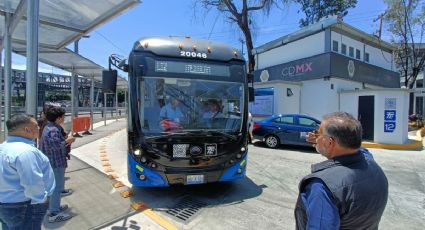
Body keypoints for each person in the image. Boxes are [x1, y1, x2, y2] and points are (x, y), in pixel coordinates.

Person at [294, 112, 388, 230]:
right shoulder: (371, 162)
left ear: (329, 142)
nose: (316, 137)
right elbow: (359, 149)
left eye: (318, 134)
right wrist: (321, 140)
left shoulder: (321, 187)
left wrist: (323, 142)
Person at [0, 114, 55, 230]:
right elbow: (32, 182)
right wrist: (42, 199)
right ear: (27, 129)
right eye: (36, 126)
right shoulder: (26, 152)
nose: (39, 128)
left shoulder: (3, 147)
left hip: (6, 204)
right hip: (25, 206)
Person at [39, 107, 75, 223]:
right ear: (58, 118)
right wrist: (69, 140)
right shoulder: (53, 130)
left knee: (55, 187)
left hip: (52, 162)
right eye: (63, 116)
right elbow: (57, 146)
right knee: (56, 187)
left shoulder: (49, 127)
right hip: (55, 162)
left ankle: (54, 207)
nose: (65, 118)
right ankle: (54, 213)